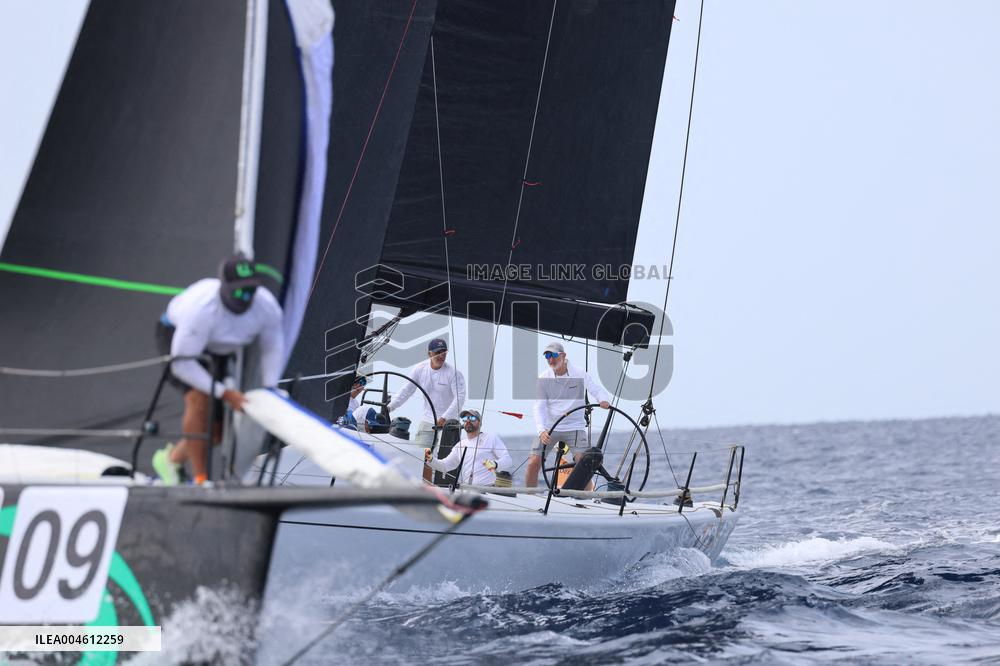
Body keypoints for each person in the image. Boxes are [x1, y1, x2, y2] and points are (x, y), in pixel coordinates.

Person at [151, 253, 284, 485]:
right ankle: (201, 480)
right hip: (181, 344)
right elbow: (183, 365)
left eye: (250, 291)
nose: (244, 298)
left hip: (218, 350)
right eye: (238, 291)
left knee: (217, 430)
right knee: (199, 400)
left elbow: (272, 346)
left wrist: (270, 387)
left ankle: (169, 461)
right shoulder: (201, 309)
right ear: (223, 286)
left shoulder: (266, 306)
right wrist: (225, 393)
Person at [526, 342, 610, 487]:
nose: (550, 359)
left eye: (553, 355)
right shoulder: (544, 378)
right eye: (547, 356)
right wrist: (541, 430)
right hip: (550, 428)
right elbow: (539, 407)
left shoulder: (579, 373)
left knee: (583, 465)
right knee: (533, 462)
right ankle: (529, 496)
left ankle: (587, 498)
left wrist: (603, 400)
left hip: (575, 428)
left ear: (563, 356)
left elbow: (596, 390)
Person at [387, 338, 465, 449]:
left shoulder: (454, 373)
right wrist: (390, 407)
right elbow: (407, 390)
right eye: (438, 352)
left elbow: (460, 398)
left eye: (444, 352)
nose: (441, 356)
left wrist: (444, 418)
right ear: (429, 353)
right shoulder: (419, 369)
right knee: (420, 456)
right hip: (428, 420)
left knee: (443, 460)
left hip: (449, 423)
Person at [424, 408, 511, 486]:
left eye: (472, 418)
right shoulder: (460, 445)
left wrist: (495, 464)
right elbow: (444, 466)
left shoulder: (491, 438)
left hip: (489, 490)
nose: (468, 421)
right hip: (468, 490)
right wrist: (430, 459)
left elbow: (508, 460)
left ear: (480, 422)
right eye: (465, 419)